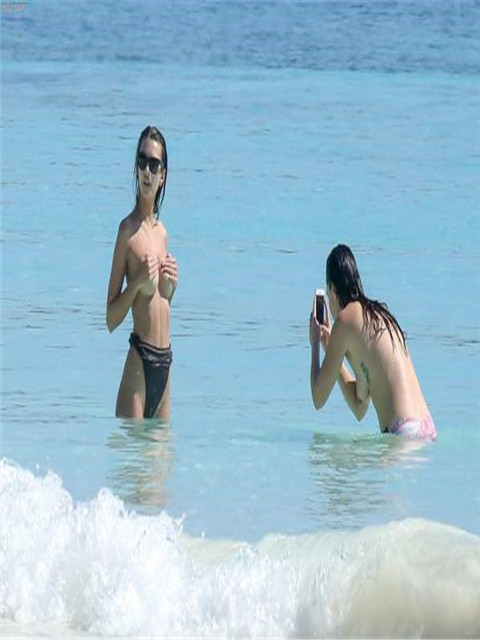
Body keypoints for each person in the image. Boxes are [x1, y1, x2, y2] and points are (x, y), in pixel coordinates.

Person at [309, 244, 436, 439]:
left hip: (404, 432)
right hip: (426, 427)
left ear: (332, 290)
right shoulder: (377, 315)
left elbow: (318, 398)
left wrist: (315, 344)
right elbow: (359, 406)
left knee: (326, 455)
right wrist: (328, 345)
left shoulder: (345, 320)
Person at [106, 126, 178, 420]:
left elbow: (160, 304)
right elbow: (111, 319)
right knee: (130, 451)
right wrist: (135, 283)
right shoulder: (127, 232)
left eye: (154, 164)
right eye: (142, 161)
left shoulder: (162, 233)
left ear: (163, 176)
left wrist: (170, 289)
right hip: (140, 361)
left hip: (165, 364)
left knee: (163, 451)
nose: (147, 171)